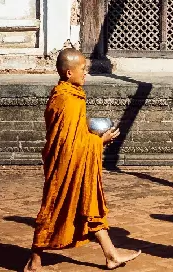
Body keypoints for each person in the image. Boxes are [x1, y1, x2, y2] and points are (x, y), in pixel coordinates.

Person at [24, 48, 141, 271]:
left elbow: (74, 134)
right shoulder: (65, 99)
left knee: (90, 206)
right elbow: (67, 144)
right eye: (82, 70)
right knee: (53, 208)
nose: (85, 74)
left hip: (77, 163)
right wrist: (100, 141)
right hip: (65, 165)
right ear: (69, 73)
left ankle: (111, 255)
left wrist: (92, 138)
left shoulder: (72, 95)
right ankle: (34, 260)